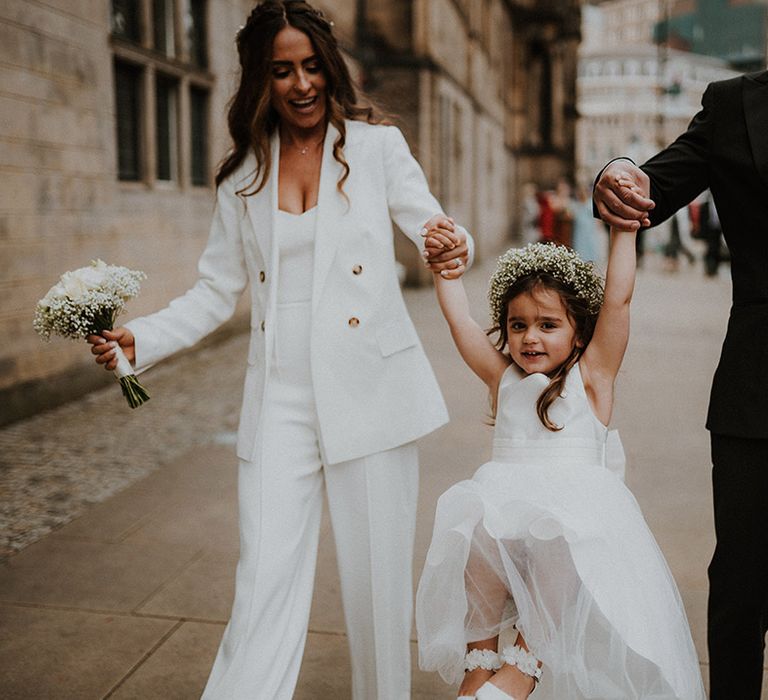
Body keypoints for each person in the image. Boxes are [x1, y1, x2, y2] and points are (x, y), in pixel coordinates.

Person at [87, 2, 471, 698]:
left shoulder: (377, 149)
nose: (301, 85)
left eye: (312, 66)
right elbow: (213, 292)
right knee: (261, 579)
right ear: (260, 78)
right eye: (283, 70)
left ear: (331, 67)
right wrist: (139, 338)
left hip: (372, 391)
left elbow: (435, 226)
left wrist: (452, 242)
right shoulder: (243, 176)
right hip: (280, 399)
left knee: (377, 592)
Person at [415, 230, 705, 698]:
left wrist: (623, 233)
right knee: (475, 529)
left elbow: (619, 301)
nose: (530, 337)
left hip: (571, 525)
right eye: (518, 325)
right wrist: (445, 272)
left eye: (548, 325)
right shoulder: (502, 378)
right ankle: (481, 656)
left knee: (557, 534)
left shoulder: (592, 378)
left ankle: (526, 660)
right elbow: (461, 324)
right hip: (509, 516)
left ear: (579, 331)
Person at [593, 69, 768, 700]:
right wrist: (615, 172)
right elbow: (647, 187)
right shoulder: (734, 103)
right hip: (758, 382)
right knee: (743, 584)